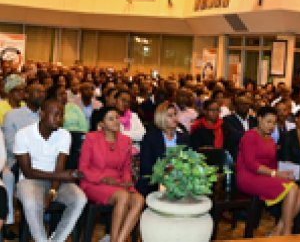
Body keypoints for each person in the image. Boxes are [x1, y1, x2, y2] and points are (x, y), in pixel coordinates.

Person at [14, 99, 87, 242]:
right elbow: (28, 172)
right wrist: (63, 175)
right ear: (41, 114)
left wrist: (52, 192)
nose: (59, 119)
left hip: (57, 182)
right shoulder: (23, 134)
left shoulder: (64, 135)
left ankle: (57, 240)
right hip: (30, 181)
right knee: (30, 201)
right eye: (55, 115)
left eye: (61, 116)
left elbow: (59, 167)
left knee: (80, 199)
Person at [237, 106, 300, 236]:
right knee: (292, 189)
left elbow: (272, 165)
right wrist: (276, 174)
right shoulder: (250, 136)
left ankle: (277, 230)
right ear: (259, 119)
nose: (272, 125)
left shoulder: (270, 140)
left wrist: (285, 173)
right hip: (248, 177)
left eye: (274, 122)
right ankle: (286, 232)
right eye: (268, 121)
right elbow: (251, 164)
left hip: (265, 176)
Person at [78, 107, 145, 242]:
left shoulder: (125, 140)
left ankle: (118, 240)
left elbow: (126, 168)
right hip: (94, 182)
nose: (116, 121)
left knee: (139, 200)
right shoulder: (91, 138)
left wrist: (127, 179)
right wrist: (103, 179)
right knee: (123, 196)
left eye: (116, 118)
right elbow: (82, 169)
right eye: (110, 118)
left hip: (119, 182)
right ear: (101, 124)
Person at [2, 82, 45, 239]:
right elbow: (10, 145)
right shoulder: (12, 115)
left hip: (43, 162)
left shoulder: (46, 115)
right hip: (17, 162)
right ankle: (21, 231)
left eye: (42, 92)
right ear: (26, 95)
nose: (40, 94)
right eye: (36, 91)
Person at [136, 103, 190, 197]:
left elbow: (189, 162)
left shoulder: (184, 138)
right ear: (161, 118)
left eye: (175, 114)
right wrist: (166, 171)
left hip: (179, 180)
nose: (174, 118)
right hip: (154, 181)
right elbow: (146, 166)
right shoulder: (151, 138)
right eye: (170, 115)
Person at [223, 92, 257, 158]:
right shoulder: (227, 120)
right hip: (236, 156)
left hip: (254, 155)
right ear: (235, 106)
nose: (244, 106)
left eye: (246, 104)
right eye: (241, 104)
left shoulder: (253, 120)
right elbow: (235, 136)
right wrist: (252, 135)